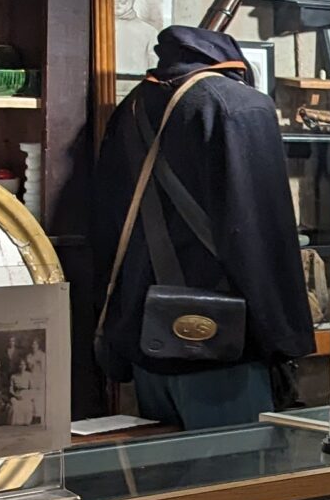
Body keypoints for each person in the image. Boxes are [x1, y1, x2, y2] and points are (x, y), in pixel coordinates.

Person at [91, 27, 315, 428]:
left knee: (174, 487)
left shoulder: (131, 108)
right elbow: (262, 235)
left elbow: (106, 227)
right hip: (225, 353)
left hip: (150, 340)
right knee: (241, 485)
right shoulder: (241, 106)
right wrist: (287, 339)